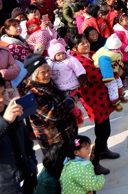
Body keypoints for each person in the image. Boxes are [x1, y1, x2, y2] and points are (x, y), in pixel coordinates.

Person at [69, 35, 117, 176]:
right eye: (81, 44)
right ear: (74, 48)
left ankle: (103, 150)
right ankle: (94, 162)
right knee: (103, 131)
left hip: (102, 96)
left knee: (106, 126)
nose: (86, 45)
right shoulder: (78, 61)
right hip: (94, 99)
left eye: (86, 42)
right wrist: (115, 72)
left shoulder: (91, 54)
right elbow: (96, 76)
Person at [20, 54, 78, 151]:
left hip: (67, 133)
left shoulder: (48, 82)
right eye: (43, 72)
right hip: (54, 141)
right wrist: (72, 101)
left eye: (48, 70)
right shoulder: (32, 93)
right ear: (34, 75)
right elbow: (53, 114)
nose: (47, 74)